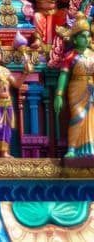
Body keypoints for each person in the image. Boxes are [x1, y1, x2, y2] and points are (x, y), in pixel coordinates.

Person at [54, 13, 94, 160]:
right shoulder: (70, 56)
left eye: (88, 36)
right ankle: (72, 149)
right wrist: (58, 94)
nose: (87, 39)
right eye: (83, 36)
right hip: (77, 88)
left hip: (92, 89)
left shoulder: (92, 54)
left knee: (92, 118)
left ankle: (91, 148)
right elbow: (64, 76)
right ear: (75, 40)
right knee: (78, 117)